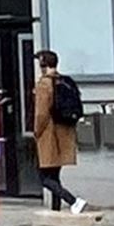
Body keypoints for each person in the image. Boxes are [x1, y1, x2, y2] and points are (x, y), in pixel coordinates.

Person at [31, 50, 85, 214]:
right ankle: (55, 212)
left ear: (43, 65)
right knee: (54, 176)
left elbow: (41, 113)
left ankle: (73, 201)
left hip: (49, 135)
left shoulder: (44, 84)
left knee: (44, 178)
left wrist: (36, 132)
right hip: (63, 135)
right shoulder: (64, 81)